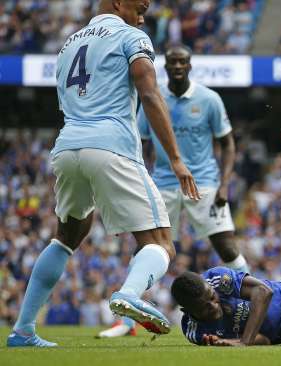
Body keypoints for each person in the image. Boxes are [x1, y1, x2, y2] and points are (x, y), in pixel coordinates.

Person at [7, 0, 200, 347]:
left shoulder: (69, 43)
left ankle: (23, 329)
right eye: (139, 7)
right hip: (111, 145)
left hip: (67, 147)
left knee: (67, 236)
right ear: (116, 2)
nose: (144, 16)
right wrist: (175, 159)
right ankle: (128, 293)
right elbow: (150, 93)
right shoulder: (131, 37)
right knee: (160, 243)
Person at [98, 44, 249, 338]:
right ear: (165, 67)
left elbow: (228, 143)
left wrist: (225, 183)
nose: (177, 67)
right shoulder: (154, 98)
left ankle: (253, 304)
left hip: (203, 182)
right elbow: (139, 141)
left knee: (227, 247)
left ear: (190, 65)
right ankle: (126, 321)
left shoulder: (209, 99)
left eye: (182, 62)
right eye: (172, 63)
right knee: (148, 248)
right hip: (164, 183)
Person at [171, 267, 281, 346]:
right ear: (187, 311)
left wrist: (244, 342)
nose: (214, 306)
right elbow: (264, 340)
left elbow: (263, 291)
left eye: (213, 297)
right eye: (205, 307)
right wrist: (227, 342)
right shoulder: (196, 331)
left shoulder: (217, 279)